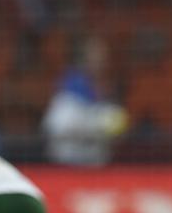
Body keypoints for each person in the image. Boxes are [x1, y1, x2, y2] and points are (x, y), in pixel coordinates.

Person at [43, 36, 127, 166]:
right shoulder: (70, 84)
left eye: (103, 54)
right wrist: (96, 125)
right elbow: (54, 126)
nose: (100, 59)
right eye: (95, 53)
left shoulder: (106, 86)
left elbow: (115, 130)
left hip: (96, 164)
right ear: (84, 56)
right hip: (68, 164)